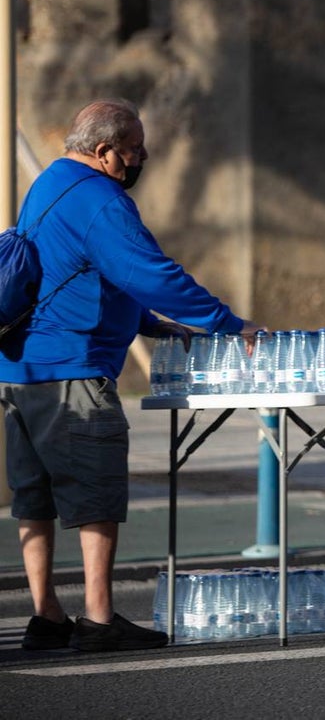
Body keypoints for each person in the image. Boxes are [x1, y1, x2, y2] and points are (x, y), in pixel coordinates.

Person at [0, 99, 263, 651]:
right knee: (94, 491)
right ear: (104, 152)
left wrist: (152, 326)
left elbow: (71, 272)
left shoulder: (51, 183)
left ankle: (46, 616)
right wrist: (225, 323)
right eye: (134, 151)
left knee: (35, 495)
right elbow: (149, 272)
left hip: (20, 368)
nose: (141, 159)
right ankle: (98, 619)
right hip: (72, 370)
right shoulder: (100, 199)